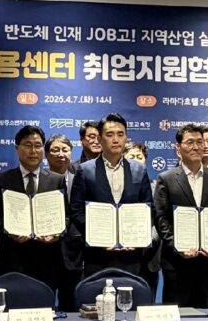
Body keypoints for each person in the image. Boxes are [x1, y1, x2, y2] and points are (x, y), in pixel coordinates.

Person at [153, 124, 208, 307]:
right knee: (177, 317)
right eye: (190, 142)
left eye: (199, 142)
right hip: (177, 263)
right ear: (178, 148)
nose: (196, 147)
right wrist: (177, 246)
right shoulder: (166, 178)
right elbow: (161, 218)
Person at [0, 126, 69, 301]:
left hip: (47, 259)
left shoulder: (56, 180)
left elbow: (67, 216)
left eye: (38, 145)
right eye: (27, 145)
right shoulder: (2, 179)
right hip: (13, 258)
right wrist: (9, 232)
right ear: (17, 148)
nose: (33, 151)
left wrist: (57, 234)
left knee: (44, 309)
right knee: (13, 308)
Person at [70, 113, 154, 276]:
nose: (116, 139)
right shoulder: (85, 170)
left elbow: (148, 208)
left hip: (131, 255)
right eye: (109, 134)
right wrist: (98, 235)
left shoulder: (139, 170)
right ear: (100, 139)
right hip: (97, 255)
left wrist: (136, 238)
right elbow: (76, 210)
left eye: (120, 134)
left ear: (126, 138)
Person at [47, 133, 83, 309]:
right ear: (46, 155)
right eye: (55, 150)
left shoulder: (81, 178)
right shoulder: (38, 180)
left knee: (70, 304)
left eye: (65, 150)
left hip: (74, 251)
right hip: (45, 250)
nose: (61, 154)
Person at [124, 140, 162, 296]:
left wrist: (147, 239)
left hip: (149, 255)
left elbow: (160, 218)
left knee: (146, 301)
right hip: (122, 254)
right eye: (131, 156)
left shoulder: (157, 186)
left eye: (139, 157)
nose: (135, 160)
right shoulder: (117, 187)